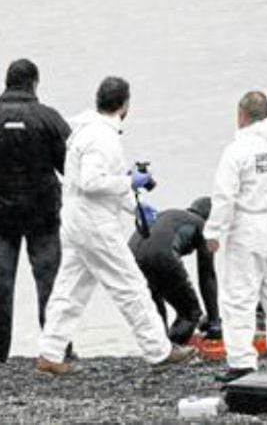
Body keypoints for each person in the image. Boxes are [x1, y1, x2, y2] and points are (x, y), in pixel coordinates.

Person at [36, 76, 196, 374]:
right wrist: (129, 181)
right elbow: (92, 182)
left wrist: (134, 206)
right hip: (95, 226)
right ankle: (158, 350)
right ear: (124, 105)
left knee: (69, 290)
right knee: (131, 286)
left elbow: (94, 184)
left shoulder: (85, 131)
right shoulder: (103, 138)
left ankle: (50, 352)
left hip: (75, 221)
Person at [0, 59, 72, 363]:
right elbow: (71, 169)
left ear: (7, 82)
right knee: (49, 282)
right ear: (34, 82)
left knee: (0, 282)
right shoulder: (48, 119)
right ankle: (56, 350)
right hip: (43, 214)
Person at [204, 91, 267, 382]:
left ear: (242, 116)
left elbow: (225, 196)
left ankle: (242, 362)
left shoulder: (237, 151)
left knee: (239, 299)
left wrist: (213, 231)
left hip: (249, 228)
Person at [129, 196, 221, 345]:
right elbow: (207, 276)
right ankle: (171, 351)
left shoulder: (171, 215)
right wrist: (214, 322)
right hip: (161, 255)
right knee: (190, 314)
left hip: (131, 255)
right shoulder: (205, 227)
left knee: (156, 310)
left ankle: (158, 351)